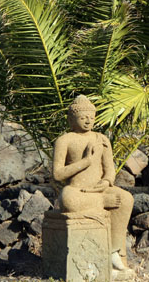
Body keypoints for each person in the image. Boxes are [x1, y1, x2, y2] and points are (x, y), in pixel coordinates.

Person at [52, 95, 134, 273]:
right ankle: (102, 203)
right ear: (71, 120)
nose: (88, 121)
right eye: (83, 117)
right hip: (76, 191)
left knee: (126, 198)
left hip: (99, 189)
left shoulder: (101, 139)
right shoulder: (65, 140)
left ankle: (113, 252)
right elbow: (57, 174)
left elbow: (109, 169)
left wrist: (106, 182)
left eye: (91, 117)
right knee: (68, 200)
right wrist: (86, 162)